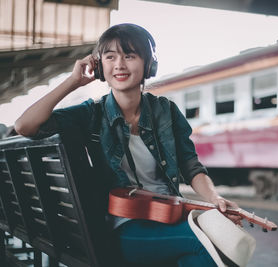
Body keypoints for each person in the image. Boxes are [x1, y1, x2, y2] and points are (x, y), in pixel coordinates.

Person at [14, 23, 242, 266]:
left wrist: (215, 198)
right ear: (100, 66)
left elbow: (191, 166)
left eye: (130, 56)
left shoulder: (166, 111)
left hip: (168, 216)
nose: (120, 65)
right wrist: (73, 81)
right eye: (110, 57)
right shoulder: (92, 113)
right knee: (206, 242)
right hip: (123, 227)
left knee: (212, 249)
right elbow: (24, 126)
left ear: (148, 64)